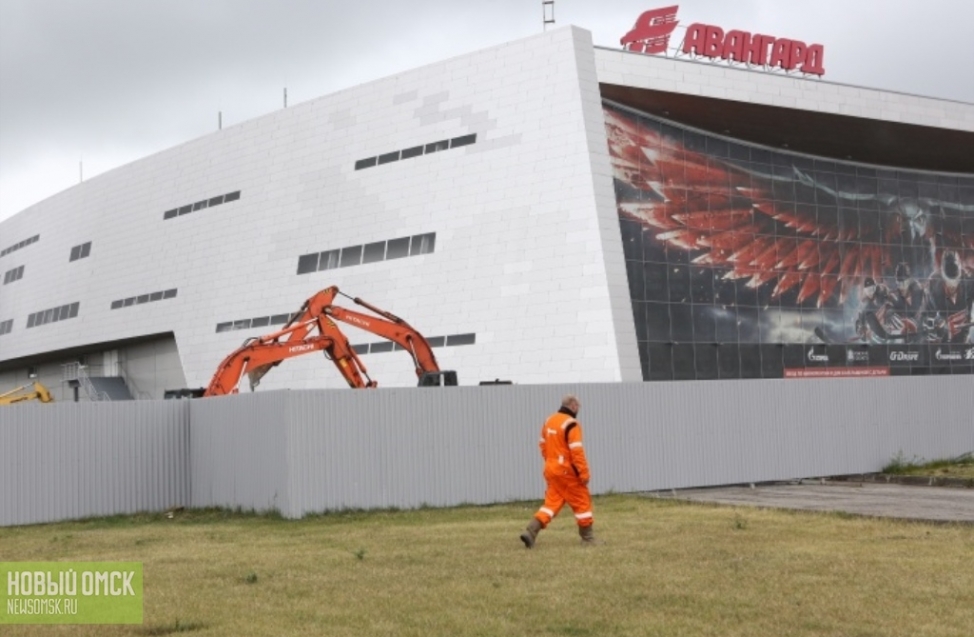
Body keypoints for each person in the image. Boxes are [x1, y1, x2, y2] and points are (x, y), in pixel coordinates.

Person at [520, 394, 596, 547]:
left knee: (551, 504)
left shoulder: (549, 420)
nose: (578, 410)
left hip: (550, 469)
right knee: (582, 502)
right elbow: (577, 452)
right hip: (567, 472)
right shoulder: (571, 424)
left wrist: (551, 461)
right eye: (578, 407)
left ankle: (531, 531)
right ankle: (588, 539)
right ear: (573, 406)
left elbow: (542, 444)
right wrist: (584, 473)